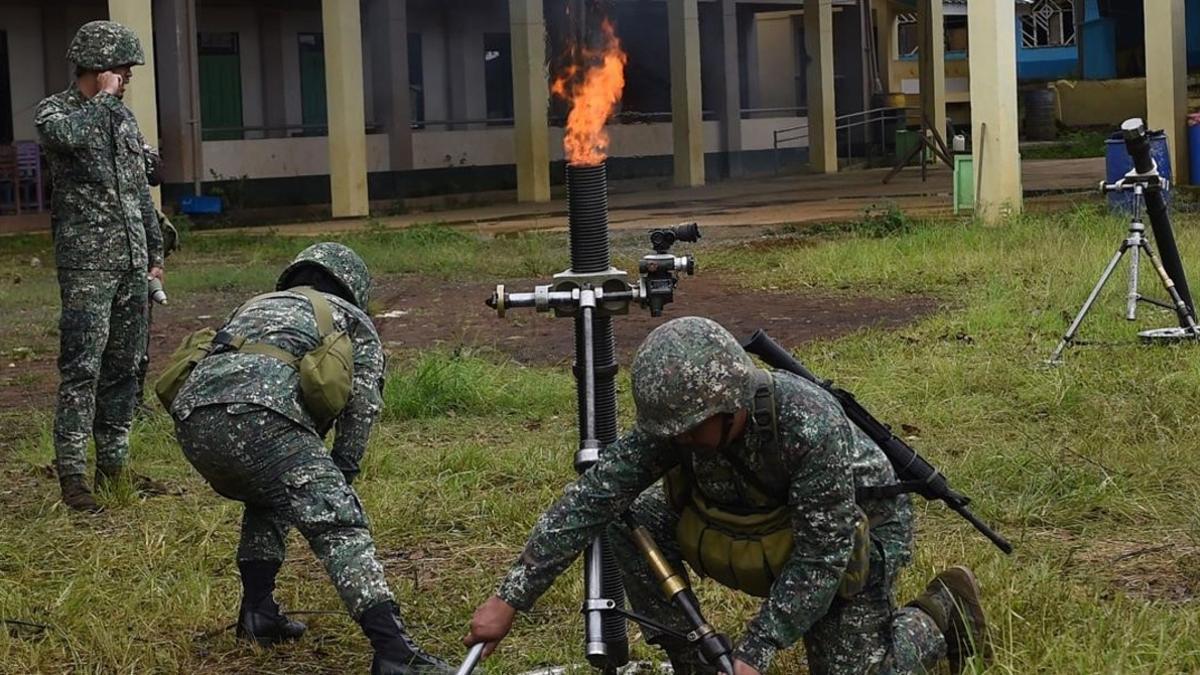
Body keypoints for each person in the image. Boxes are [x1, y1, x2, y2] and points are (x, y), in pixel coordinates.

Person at [465, 317, 989, 675]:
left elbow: (821, 554)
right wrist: (511, 596)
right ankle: (692, 660)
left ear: (730, 406)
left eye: (690, 430)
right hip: (751, 519)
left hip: (853, 532)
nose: (679, 442)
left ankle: (941, 614)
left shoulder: (809, 425)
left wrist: (755, 652)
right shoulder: (682, 421)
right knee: (636, 517)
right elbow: (593, 497)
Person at [169, 243, 453, 675]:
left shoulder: (254, 306)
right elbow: (362, 408)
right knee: (341, 525)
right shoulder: (352, 319)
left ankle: (258, 614)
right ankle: (395, 652)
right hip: (264, 417)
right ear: (352, 286)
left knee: (271, 496)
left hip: (191, 420)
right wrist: (342, 475)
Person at [36, 20, 166, 512]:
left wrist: (154, 257)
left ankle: (114, 468)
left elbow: (138, 192)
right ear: (98, 66)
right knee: (82, 370)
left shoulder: (123, 119)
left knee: (124, 369)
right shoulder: (57, 112)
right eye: (123, 69)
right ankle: (73, 478)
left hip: (132, 264)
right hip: (88, 265)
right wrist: (106, 101)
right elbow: (71, 138)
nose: (128, 77)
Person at [134, 147, 180, 415]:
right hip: (101, 256)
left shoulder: (127, 131)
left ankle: (134, 403)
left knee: (139, 333)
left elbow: (157, 173)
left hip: (138, 243)